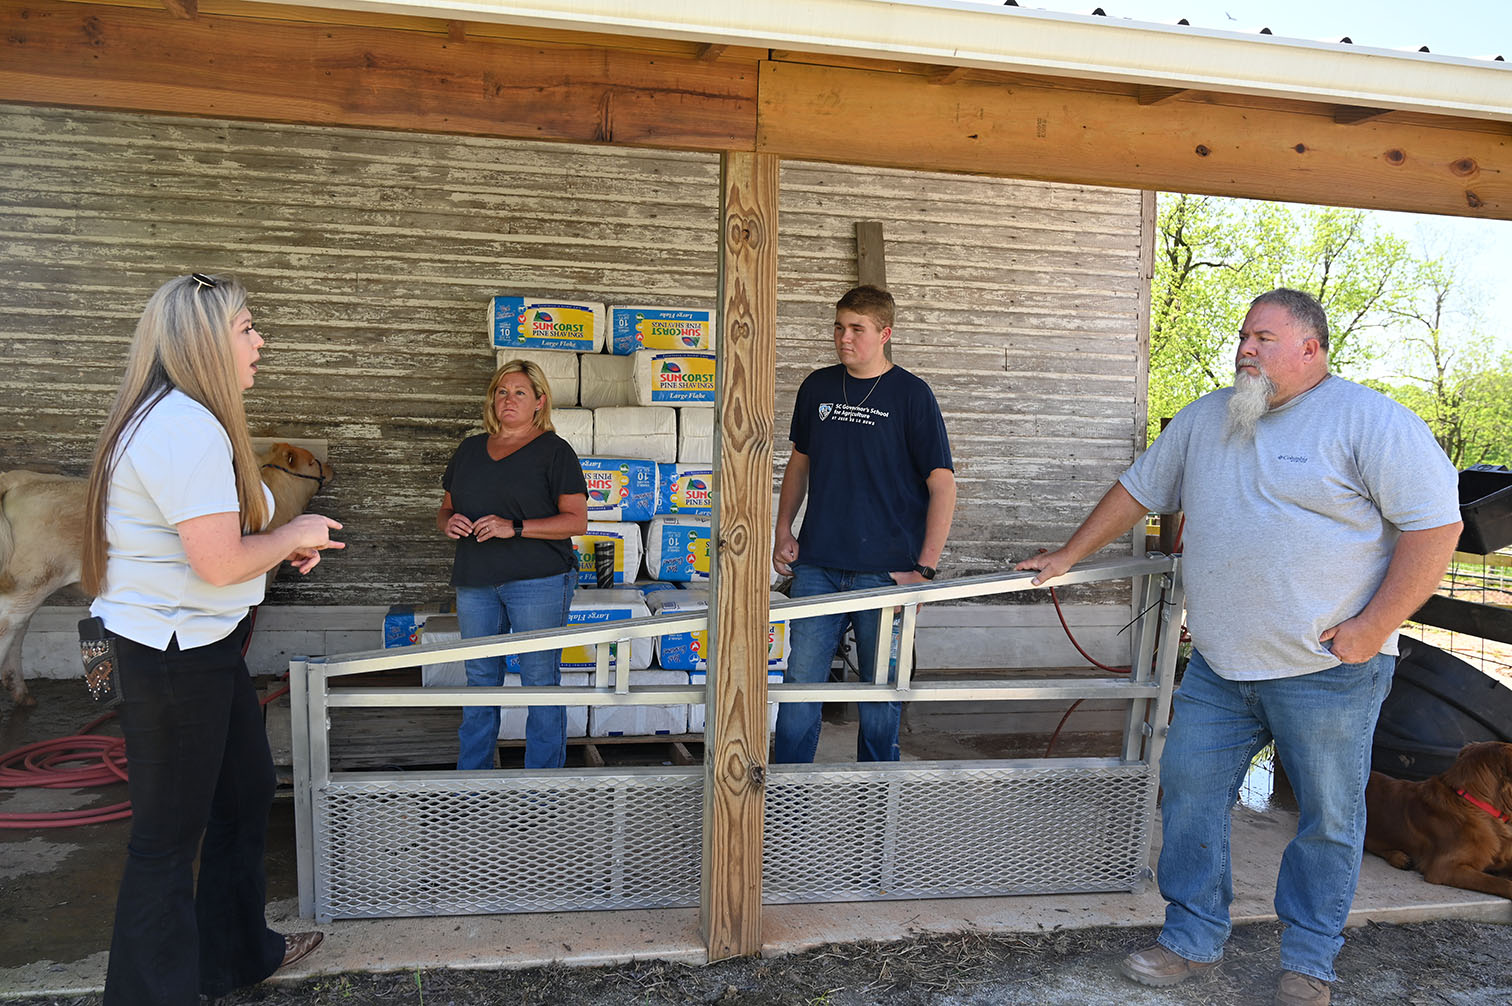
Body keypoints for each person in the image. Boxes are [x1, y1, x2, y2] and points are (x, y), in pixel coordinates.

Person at [1016, 288, 1462, 1006]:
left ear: (1312, 350)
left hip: (1327, 670)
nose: (1245, 349)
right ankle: (1191, 939)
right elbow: (1137, 490)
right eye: (1243, 337)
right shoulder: (1205, 420)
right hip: (1221, 666)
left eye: (1264, 338)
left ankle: (1309, 961)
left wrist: (1375, 626)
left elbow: (1435, 527)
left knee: (1328, 817)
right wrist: (1068, 554)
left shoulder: (1369, 421)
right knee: (1190, 795)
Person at [81, 273, 344, 1005]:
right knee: (166, 842)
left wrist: (277, 544)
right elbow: (220, 559)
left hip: (200, 644)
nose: (260, 341)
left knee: (243, 790)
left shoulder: (191, 418)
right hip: (167, 656)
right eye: (248, 328)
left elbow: (224, 536)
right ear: (204, 340)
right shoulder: (183, 427)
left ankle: (233, 956)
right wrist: (291, 530)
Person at [771, 285, 956, 763]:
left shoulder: (913, 395)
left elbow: (943, 485)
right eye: (838, 327)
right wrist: (783, 529)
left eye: (857, 329)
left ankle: (875, 817)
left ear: (885, 333)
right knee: (798, 693)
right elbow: (799, 463)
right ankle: (786, 806)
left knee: (879, 700)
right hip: (819, 566)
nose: (844, 338)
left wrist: (926, 569)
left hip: (886, 573)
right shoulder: (818, 387)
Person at [438, 359, 588, 771]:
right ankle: (472, 783)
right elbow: (445, 508)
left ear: (539, 401)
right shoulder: (470, 449)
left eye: (520, 392)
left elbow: (575, 521)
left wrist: (514, 528)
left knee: (540, 681)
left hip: (538, 579)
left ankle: (542, 790)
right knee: (480, 682)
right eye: (502, 391)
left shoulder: (555, 451)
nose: (509, 399)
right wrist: (448, 522)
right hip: (476, 579)